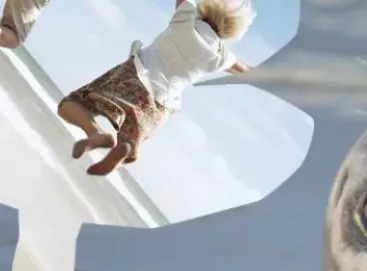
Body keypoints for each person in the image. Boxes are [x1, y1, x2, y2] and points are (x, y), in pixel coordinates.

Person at [56, 0, 254, 176]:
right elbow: (243, 69)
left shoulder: (187, 17)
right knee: (130, 144)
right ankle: (125, 147)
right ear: (231, 30)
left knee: (72, 103)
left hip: (135, 77)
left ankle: (95, 132)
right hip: (161, 106)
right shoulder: (219, 55)